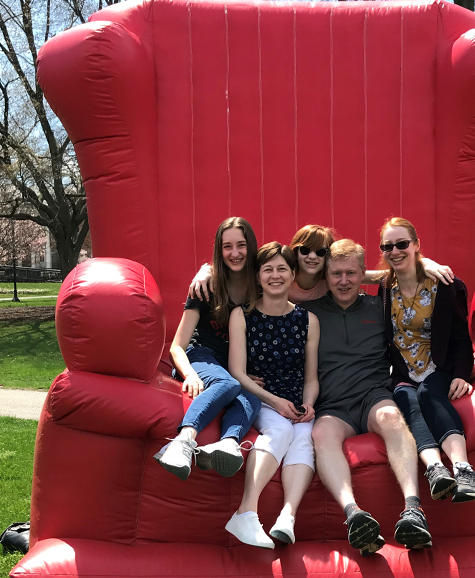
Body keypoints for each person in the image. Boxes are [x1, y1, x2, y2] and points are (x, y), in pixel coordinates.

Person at [303, 239, 433, 555]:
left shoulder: (381, 307)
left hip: (373, 396)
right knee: (320, 433)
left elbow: (422, 309)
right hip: (332, 405)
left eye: (351, 273)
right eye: (336, 274)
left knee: (391, 417)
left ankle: (414, 508)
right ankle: (354, 514)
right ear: (326, 276)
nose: (344, 281)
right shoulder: (308, 313)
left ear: (364, 273)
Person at [377, 218, 475, 504]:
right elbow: (348, 273)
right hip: (403, 369)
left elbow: (462, 335)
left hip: (440, 365)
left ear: (416, 245)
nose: (395, 251)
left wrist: (462, 373)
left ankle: (465, 470)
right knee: (404, 398)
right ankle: (436, 469)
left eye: (402, 244)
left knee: (428, 393)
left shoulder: (444, 283)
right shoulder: (387, 287)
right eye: (387, 246)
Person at [225, 242, 320, 549]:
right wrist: (274, 401)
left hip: (296, 402)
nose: (275, 276)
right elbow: (237, 372)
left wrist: (309, 404)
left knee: (305, 437)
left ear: (293, 274)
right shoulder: (242, 315)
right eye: (268, 269)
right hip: (261, 398)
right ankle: (246, 511)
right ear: (258, 276)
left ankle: (287, 517)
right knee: (279, 429)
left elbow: (311, 377)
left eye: (282, 269)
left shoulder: (308, 320)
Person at [154, 217, 262, 480]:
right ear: (219, 249)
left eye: (241, 245)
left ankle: (226, 445)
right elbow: (177, 346)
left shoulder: (261, 287)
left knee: (252, 398)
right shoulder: (205, 286)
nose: (234, 253)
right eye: (227, 247)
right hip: (200, 357)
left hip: (232, 366)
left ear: (251, 247)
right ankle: (182, 441)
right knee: (228, 384)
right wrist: (190, 374)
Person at [189, 224, 456, 304]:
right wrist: (207, 269)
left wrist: (424, 263)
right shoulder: (279, 274)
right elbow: (241, 264)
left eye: (320, 251)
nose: (312, 256)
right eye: (304, 250)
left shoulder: (330, 279)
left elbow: (380, 275)